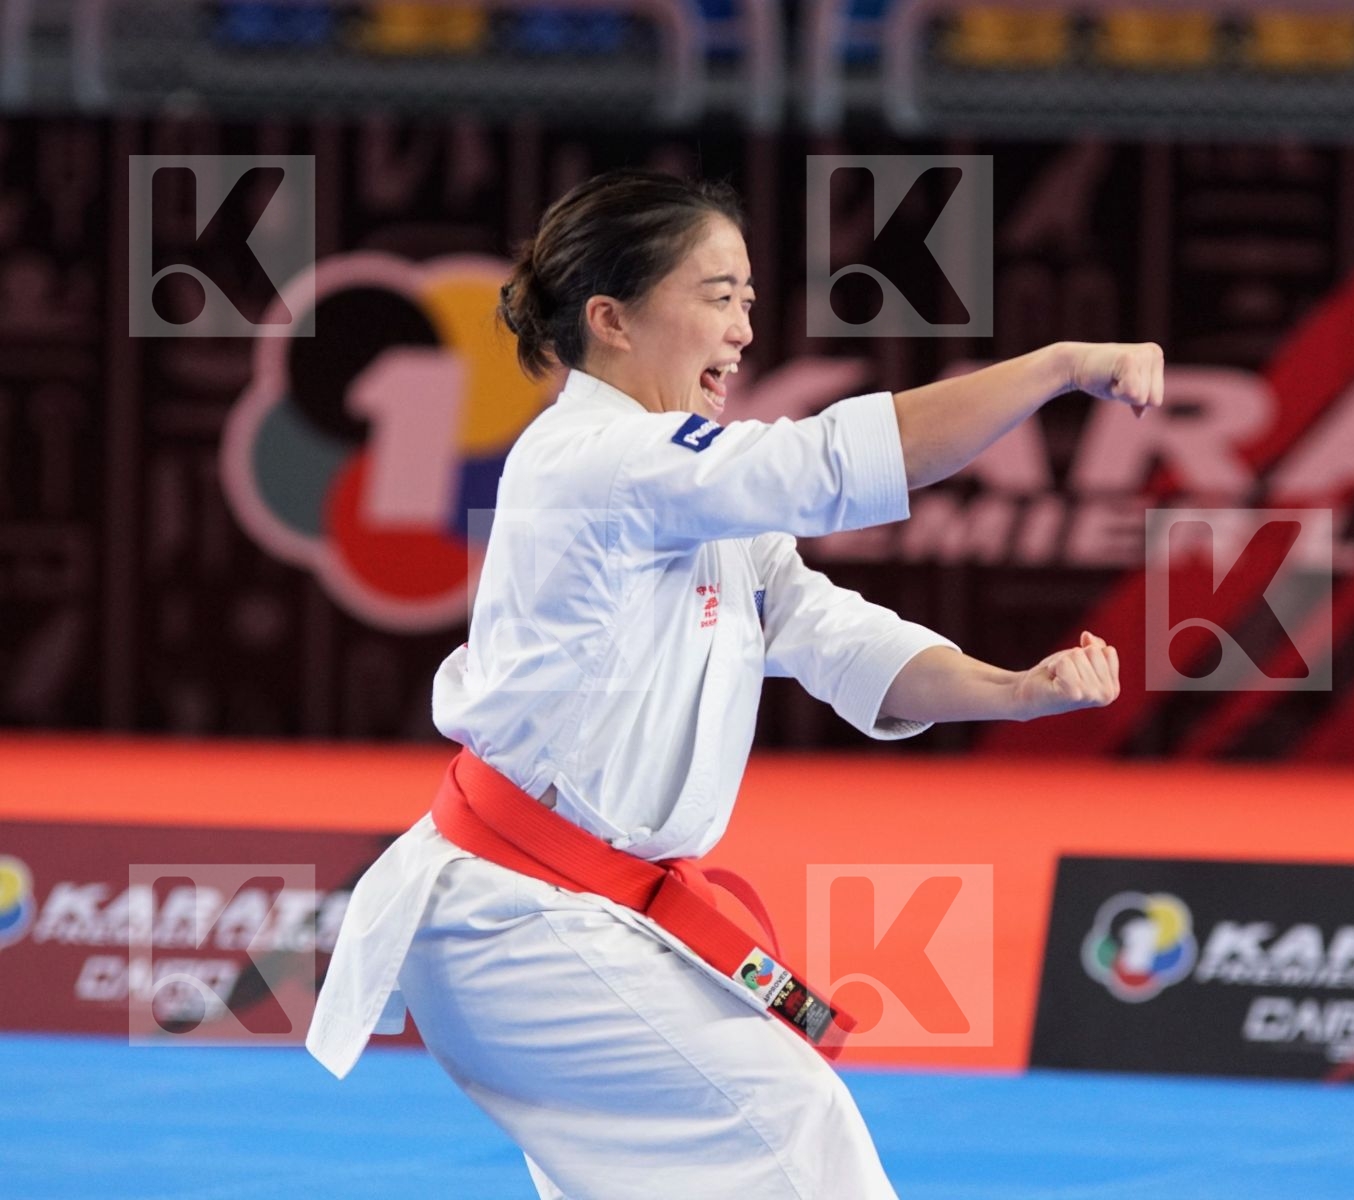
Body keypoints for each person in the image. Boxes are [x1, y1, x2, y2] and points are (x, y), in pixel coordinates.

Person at [306, 167, 1163, 1200]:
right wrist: (1057, 365)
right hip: (522, 921)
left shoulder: (683, 489)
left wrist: (1012, 691)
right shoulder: (599, 458)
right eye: (717, 296)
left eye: (748, 298)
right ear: (611, 319)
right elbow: (827, 468)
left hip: (577, 919)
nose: (744, 329)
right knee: (799, 1134)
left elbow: (829, 632)